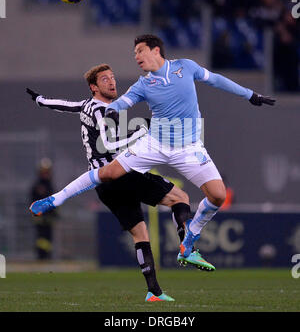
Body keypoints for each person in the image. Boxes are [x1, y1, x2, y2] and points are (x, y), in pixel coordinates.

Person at [29, 34, 275, 270]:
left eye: (139, 51)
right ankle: (54, 199)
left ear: (155, 50)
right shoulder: (144, 83)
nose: (136, 56)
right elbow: (124, 101)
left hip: (189, 148)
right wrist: (113, 110)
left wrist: (250, 95)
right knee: (108, 173)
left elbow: (216, 79)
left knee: (218, 196)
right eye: (134, 53)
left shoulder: (185, 67)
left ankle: (190, 239)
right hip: (154, 144)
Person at [27, 63, 201, 302]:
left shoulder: (87, 105)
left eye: (113, 77)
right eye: (105, 79)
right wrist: (141, 129)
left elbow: (64, 105)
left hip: (103, 186)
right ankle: (186, 246)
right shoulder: (101, 110)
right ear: (94, 87)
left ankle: (154, 292)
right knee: (180, 198)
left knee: (140, 234)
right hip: (119, 174)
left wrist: (40, 100)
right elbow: (108, 145)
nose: (112, 82)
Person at [30, 158, 57, 260]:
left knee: (48, 237)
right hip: (40, 217)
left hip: (49, 217)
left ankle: (47, 255)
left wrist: (54, 214)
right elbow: (32, 201)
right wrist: (36, 215)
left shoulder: (50, 185)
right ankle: (41, 256)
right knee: (41, 238)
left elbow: (54, 200)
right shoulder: (37, 186)